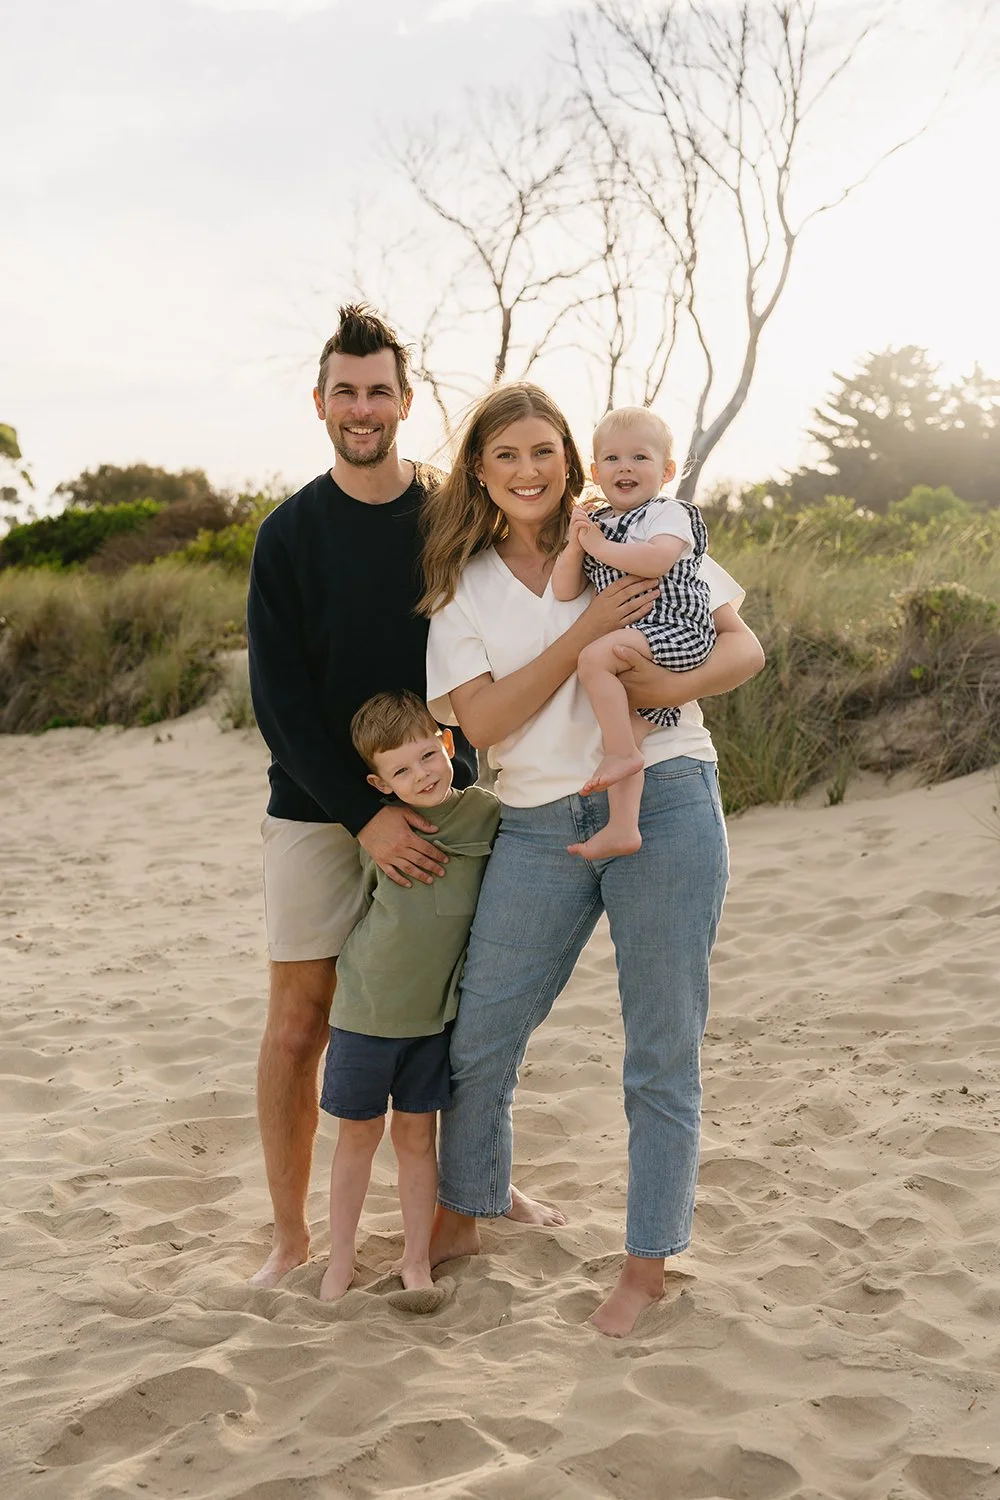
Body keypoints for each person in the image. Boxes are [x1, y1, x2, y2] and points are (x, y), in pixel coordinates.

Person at [245, 304, 625, 1287]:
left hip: (449, 803)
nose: (362, 407)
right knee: (300, 1019)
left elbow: (533, 576)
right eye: (345, 389)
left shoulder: (447, 517)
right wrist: (364, 812)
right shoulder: (287, 535)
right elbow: (277, 701)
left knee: (459, 1010)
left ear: (406, 402)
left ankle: (477, 1188)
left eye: (379, 390)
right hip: (320, 809)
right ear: (320, 401)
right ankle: (291, 1239)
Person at [419, 382, 765, 1337]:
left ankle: (647, 1263)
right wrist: (585, 634)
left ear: (570, 461)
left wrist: (664, 680)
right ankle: (464, 1214)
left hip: (668, 796)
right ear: (481, 475)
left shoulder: (646, 528)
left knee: (661, 1051)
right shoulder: (465, 582)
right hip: (535, 821)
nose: (528, 471)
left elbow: (745, 651)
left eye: (543, 453)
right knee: (480, 1035)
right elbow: (481, 722)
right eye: (506, 457)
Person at [318, 690, 500, 1306]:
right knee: (358, 1138)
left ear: (448, 744)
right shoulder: (382, 829)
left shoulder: (485, 813)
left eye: (428, 755)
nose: (421, 774)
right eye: (401, 769)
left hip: (432, 1019)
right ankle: (339, 1260)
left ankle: (416, 1259)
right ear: (380, 782)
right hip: (367, 1011)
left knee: (418, 1140)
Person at [552, 406, 715, 860]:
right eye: (613, 459)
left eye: (640, 458)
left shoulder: (667, 513)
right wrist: (575, 543)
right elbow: (566, 591)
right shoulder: (597, 522)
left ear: (666, 471)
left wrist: (599, 546)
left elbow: (655, 561)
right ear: (595, 472)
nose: (625, 467)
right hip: (645, 641)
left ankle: (621, 755)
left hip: (677, 628)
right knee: (625, 730)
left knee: (593, 658)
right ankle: (623, 826)